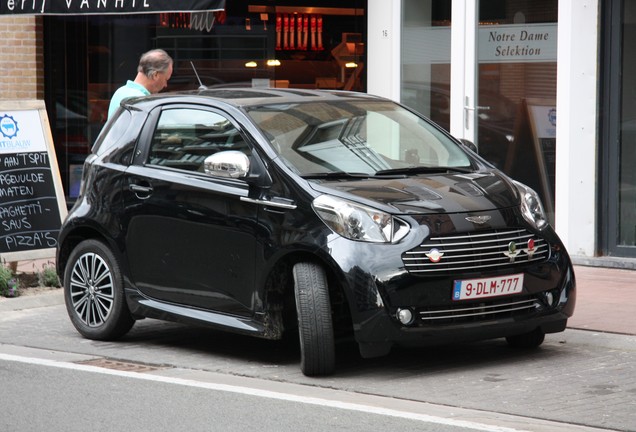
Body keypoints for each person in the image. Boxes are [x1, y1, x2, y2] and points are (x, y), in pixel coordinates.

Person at [107, 49, 173, 119]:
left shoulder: (119, 92)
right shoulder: (141, 101)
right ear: (155, 75)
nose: (166, 85)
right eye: (166, 79)